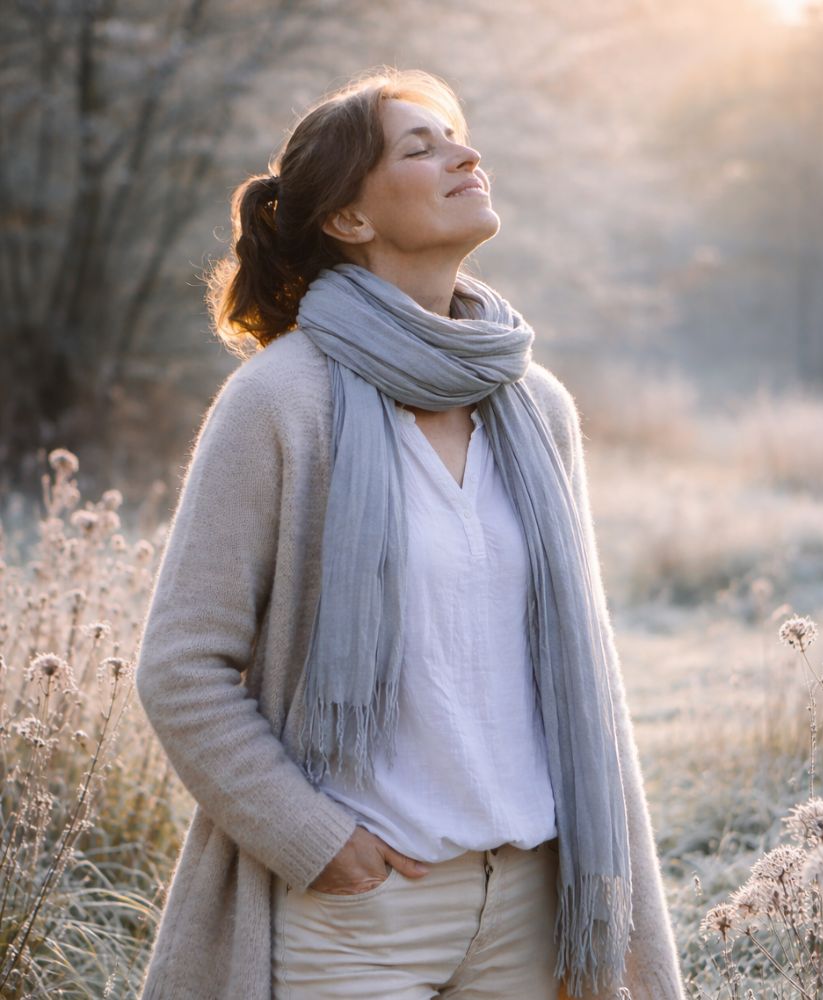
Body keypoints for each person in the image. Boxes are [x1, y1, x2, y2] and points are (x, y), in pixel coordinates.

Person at [134, 66, 685, 1000]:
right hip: (357, 912)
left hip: (539, 902)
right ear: (350, 219)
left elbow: (582, 665)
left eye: (458, 138)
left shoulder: (535, 404)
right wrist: (317, 842)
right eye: (420, 148)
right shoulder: (279, 401)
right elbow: (180, 667)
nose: (465, 154)